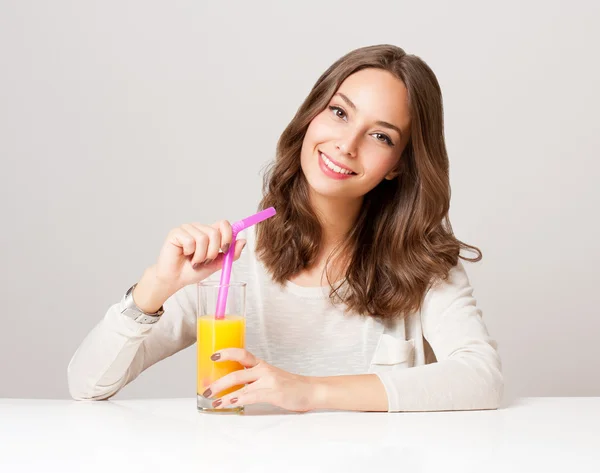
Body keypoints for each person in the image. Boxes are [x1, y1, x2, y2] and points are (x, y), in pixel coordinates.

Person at [67, 44, 503, 412]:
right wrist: (156, 287)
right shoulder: (230, 261)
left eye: (381, 136)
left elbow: (481, 378)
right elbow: (87, 384)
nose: (346, 145)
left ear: (398, 166)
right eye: (339, 112)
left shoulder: (421, 263)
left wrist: (307, 390)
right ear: (312, 114)